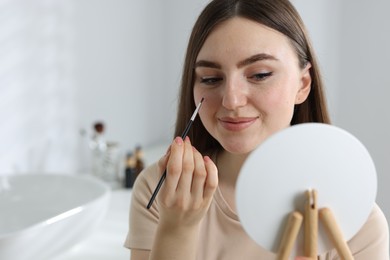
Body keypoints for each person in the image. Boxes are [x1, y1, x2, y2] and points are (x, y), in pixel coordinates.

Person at [124, 0, 389, 259]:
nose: (231, 100)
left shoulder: (357, 222)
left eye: (260, 74)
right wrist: (176, 229)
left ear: (303, 84)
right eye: (211, 79)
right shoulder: (160, 192)